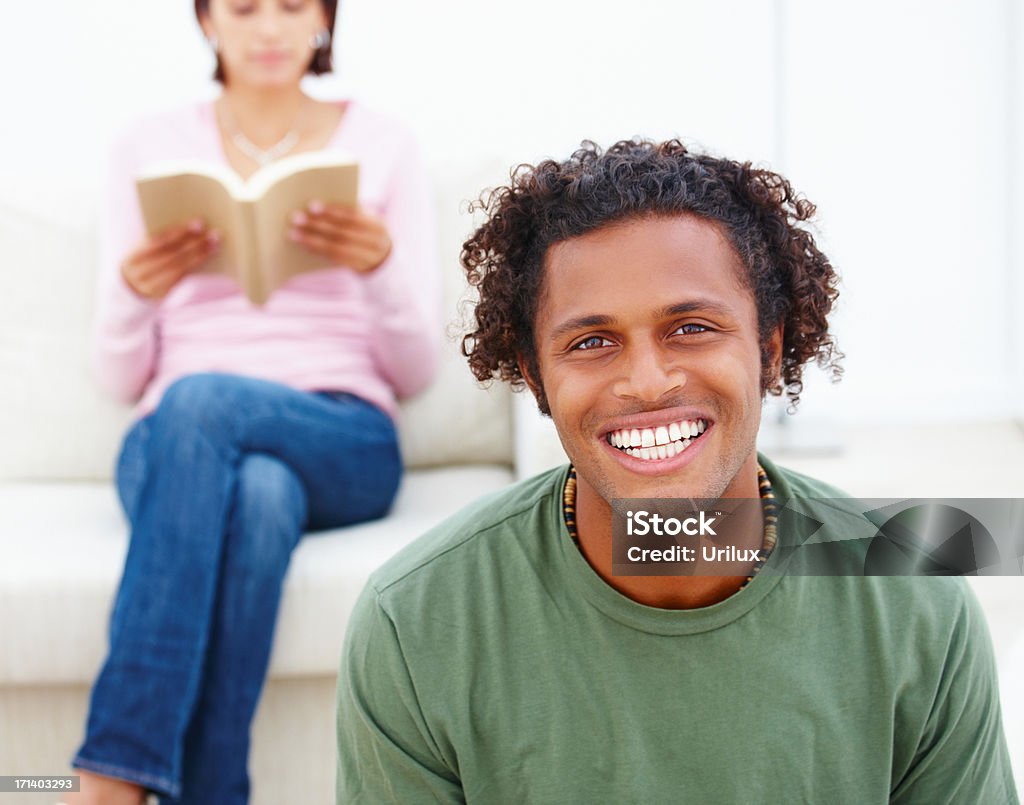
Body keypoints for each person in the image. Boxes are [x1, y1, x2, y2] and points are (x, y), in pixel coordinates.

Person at [335, 140, 1019, 803]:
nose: (647, 381)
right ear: (535, 375)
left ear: (770, 348)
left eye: (691, 327)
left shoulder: (914, 595)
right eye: (592, 342)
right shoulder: (416, 621)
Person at [66, 1, 440, 803]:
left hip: (341, 429)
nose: (269, 28)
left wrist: (377, 269)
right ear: (205, 20)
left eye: (292, 6)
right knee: (259, 492)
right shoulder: (147, 146)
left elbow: (415, 372)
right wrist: (136, 292)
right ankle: (212, 789)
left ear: (324, 17)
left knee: (203, 402)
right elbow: (117, 378)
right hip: (174, 444)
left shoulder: (386, 145)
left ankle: (113, 770)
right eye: (242, 7)